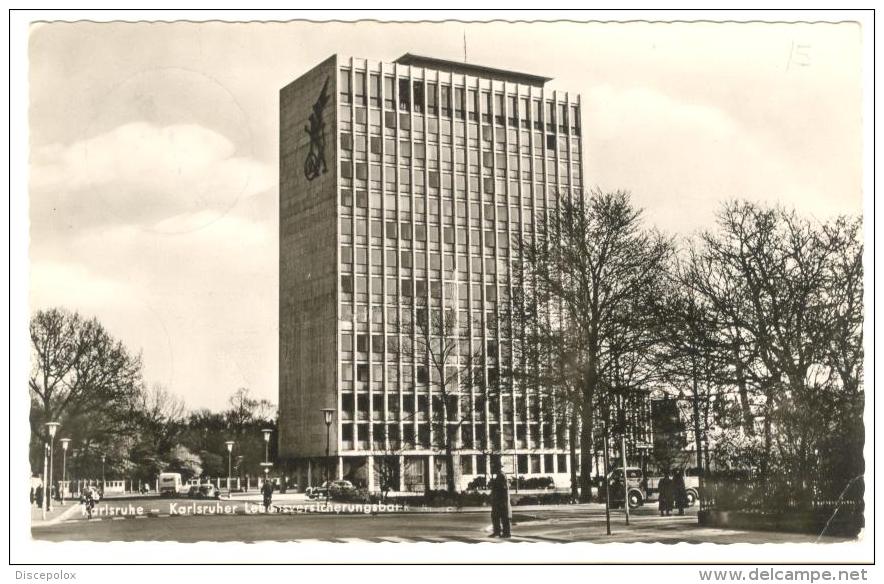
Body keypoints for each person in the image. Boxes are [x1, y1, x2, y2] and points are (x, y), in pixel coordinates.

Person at [489, 467, 512, 538]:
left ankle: (506, 533)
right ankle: (497, 532)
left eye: (492, 467)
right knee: (495, 516)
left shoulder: (501, 476)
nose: (491, 469)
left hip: (501, 501)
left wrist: (494, 485)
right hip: (498, 501)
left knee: (504, 517)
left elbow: (502, 488)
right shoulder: (500, 475)